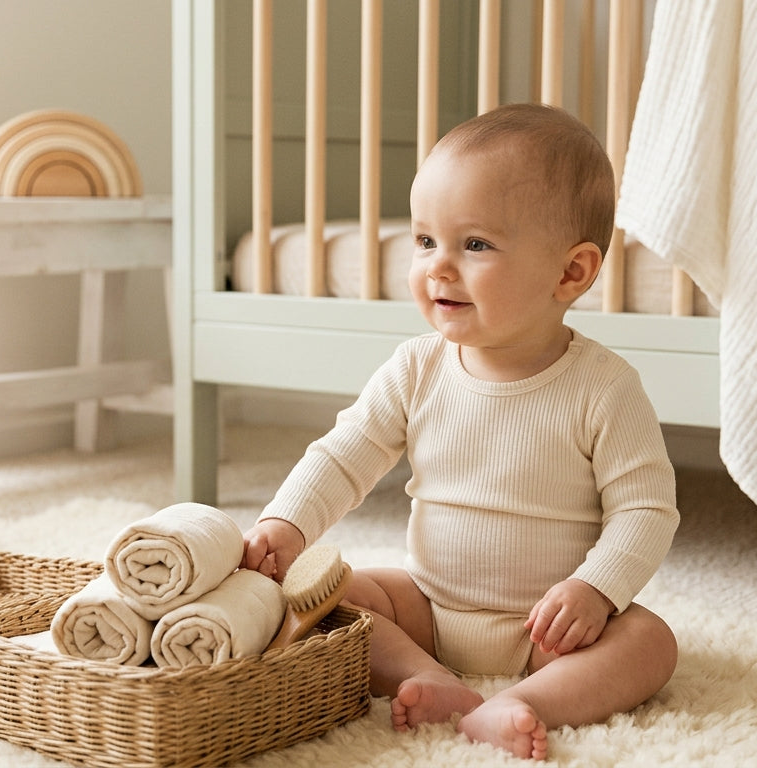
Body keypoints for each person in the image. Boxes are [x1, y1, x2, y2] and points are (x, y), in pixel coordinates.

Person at [240, 103, 679, 761]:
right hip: (428, 608)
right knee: (331, 597)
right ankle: (426, 676)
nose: (438, 267)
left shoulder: (604, 386)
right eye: (425, 241)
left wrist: (595, 590)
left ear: (571, 272)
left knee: (650, 643)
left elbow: (645, 510)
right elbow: (344, 455)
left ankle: (529, 701)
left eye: (474, 244)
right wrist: (287, 524)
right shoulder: (417, 367)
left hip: (550, 630)